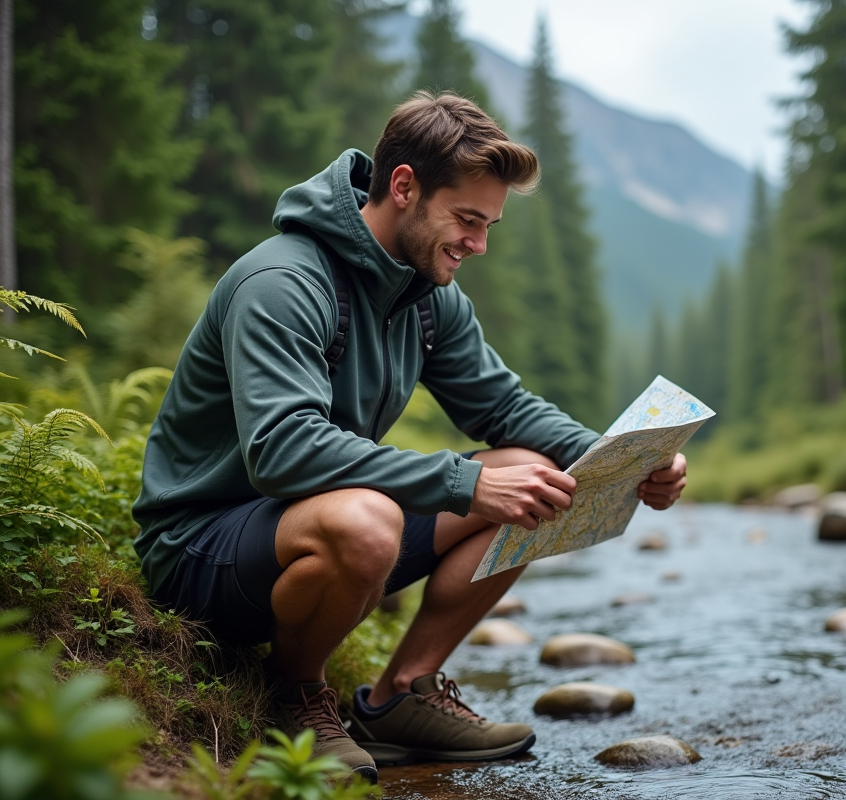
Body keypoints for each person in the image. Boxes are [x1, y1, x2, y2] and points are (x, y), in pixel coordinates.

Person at [132, 91, 687, 784]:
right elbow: (281, 448)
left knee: (537, 472)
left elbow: (506, 409)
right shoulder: (284, 281)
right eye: (467, 219)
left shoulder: (429, 298)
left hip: (320, 528)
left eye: (489, 226)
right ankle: (296, 694)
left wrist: (628, 459)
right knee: (371, 518)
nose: (479, 244)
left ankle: (400, 697)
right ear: (403, 188)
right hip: (202, 550)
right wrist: (467, 482)